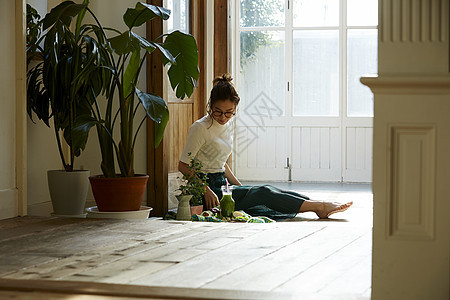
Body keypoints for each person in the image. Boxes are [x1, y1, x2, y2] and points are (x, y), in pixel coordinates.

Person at [178, 74, 353, 220]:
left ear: (235, 108)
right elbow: (183, 165)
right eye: (217, 111)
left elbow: (221, 164)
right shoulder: (200, 128)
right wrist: (206, 190)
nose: (223, 117)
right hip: (206, 191)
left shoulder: (227, 125)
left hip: (222, 186)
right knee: (263, 193)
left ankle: (315, 202)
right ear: (210, 105)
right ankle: (319, 207)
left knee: (266, 189)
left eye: (229, 112)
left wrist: (243, 188)